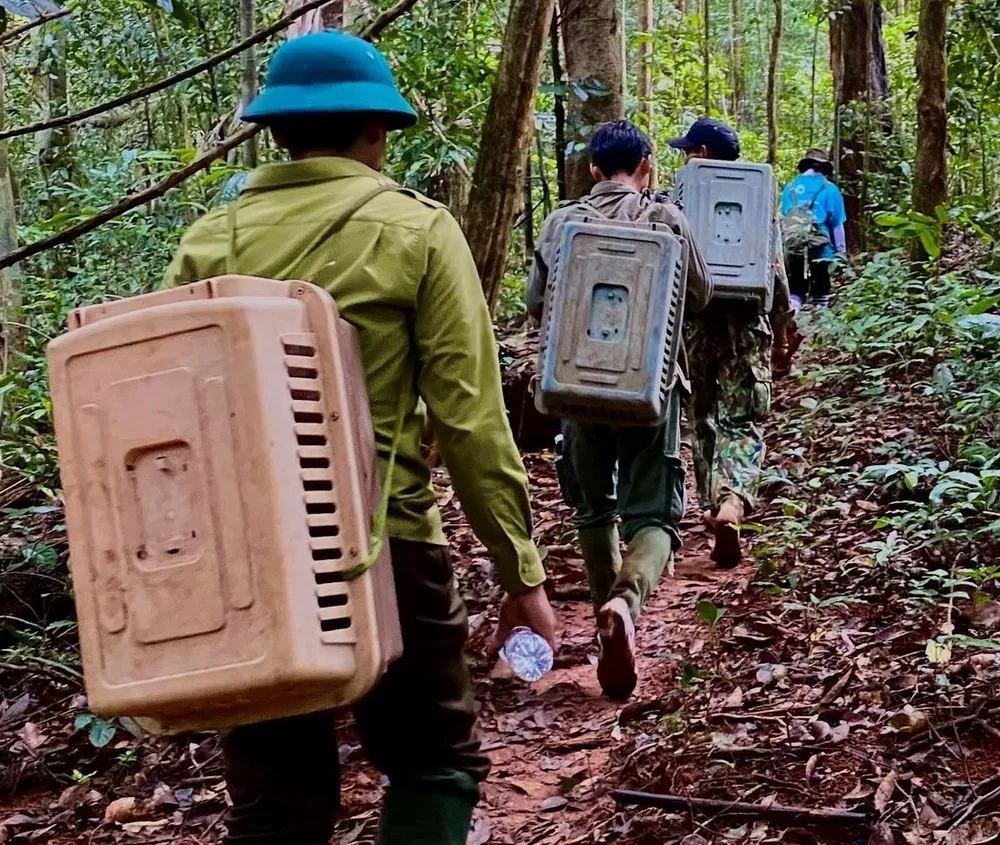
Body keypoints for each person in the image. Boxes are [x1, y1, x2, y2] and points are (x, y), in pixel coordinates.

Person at [163, 31, 557, 845]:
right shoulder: (417, 229)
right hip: (386, 546)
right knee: (434, 761)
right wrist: (520, 572)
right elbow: (472, 419)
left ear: (277, 132)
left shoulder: (209, 239)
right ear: (377, 130)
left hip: (251, 567)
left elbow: (175, 425)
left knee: (277, 800)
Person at [527, 120, 713, 700]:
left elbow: (537, 304)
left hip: (575, 391)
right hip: (650, 393)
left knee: (592, 511)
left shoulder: (561, 223)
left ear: (590, 169)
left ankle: (605, 615)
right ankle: (625, 601)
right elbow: (700, 297)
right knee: (654, 515)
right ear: (648, 164)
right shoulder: (667, 220)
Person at [668, 117, 794, 568]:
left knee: (701, 413)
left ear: (701, 153)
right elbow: (774, 268)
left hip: (695, 324)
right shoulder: (759, 198)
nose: (684, 156)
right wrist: (783, 328)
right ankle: (733, 501)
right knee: (741, 419)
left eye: (688, 149)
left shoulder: (682, 197)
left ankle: (710, 501)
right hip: (746, 324)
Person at [780, 148, 847, 309]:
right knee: (821, 288)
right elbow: (836, 223)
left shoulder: (790, 187)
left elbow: (782, 218)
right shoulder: (830, 188)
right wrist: (841, 252)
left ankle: (794, 321)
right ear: (825, 168)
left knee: (795, 288)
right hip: (821, 247)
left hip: (793, 244)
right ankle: (819, 322)